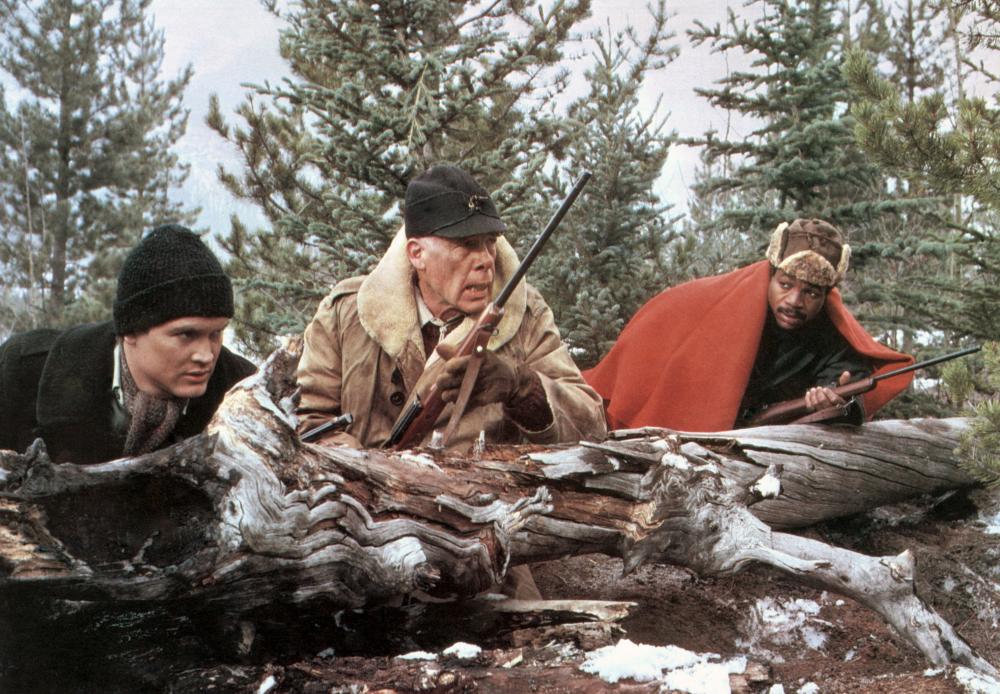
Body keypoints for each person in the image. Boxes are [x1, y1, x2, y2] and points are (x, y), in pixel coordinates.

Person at [296, 164, 607, 452]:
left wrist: (522, 387)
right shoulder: (344, 313)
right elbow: (312, 424)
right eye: (467, 244)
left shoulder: (525, 314)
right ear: (417, 254)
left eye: (490, 242)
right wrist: (364, 468)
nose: (486, 260)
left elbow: (591, 426)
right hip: (357, 491)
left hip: (478, 493)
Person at [585, 218, 914, 432]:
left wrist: (835, 398)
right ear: (770, 276)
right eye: (785, 285)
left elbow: (848, 381)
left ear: (826, 296)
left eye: (811, 293)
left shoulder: (829, 334)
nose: (794, 301)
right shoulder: (713, 304)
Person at [0, 224, 257, 464]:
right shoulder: (22, 372)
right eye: (186, 335)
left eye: (216, 334)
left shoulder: (247, 396)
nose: (206, 355)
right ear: (130, 331)